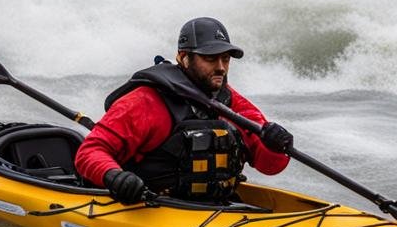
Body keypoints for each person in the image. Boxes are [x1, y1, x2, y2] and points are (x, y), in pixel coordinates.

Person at [74, 17, 293, 204]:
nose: (221, 67)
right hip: (149, 205)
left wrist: (276, 146)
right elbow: (89, 152)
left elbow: (269, 166)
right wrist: (114, 177)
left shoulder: (231, 101)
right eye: (210, 58)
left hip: (214, 207)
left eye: (225, 59)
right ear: (183, 57)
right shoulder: (144, 101)